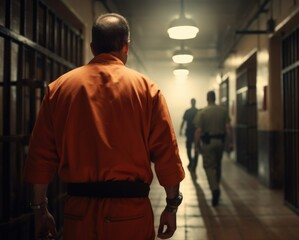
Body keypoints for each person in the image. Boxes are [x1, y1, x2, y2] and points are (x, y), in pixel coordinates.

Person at [23, 13, 185, 240]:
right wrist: (171, 207)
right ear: (126, 47)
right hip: (131, 216)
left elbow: (40, 157)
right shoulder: (147, 90)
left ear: (92, 47)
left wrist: (39, 209)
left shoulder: (58, 90)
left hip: (79, 215)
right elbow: (167, 154)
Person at [194, 90, 233, 206]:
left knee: (208, 166)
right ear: (215, 98)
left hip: (208, 142)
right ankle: (217, 184)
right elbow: (228, 127)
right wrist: (231, 142)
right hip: (220, 142)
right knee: (218, 164)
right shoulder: (223, 111)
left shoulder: (203, 112)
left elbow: (198, 130)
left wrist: (196, 146)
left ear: (207, 98)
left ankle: (215, 188)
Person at [179, 98, 199, 173]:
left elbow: (183, 121)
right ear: (195, 102)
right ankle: (195, 164)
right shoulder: (198, 111)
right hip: (196, 132)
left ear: (191, 103)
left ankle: (190, 161)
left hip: (189, 132)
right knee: (196, 148)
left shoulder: (187, 111)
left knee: (188, 148)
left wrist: (180, 130)